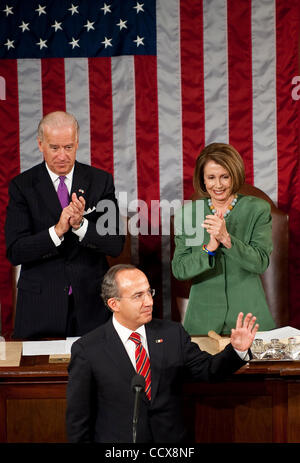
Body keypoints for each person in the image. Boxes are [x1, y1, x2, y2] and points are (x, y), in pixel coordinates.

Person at [66, 263, 258, 443]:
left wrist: (237, 350)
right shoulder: (88, 349)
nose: (149, 301)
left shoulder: (172, 334)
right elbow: (78, 421)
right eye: (138, 296)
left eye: (149, 292)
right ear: (114, 304)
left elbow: (209, 370)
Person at [5, 111, 124, 339]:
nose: (62, 156)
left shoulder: (100, 181)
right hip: (40, 309)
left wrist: (81, 226)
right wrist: (57, 231)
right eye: (55, 147)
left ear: (77, 143)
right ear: (40, 145)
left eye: (68, 147)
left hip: (91, 307)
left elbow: (115, 244)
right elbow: (15, 251)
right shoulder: (22, 186)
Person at [172, 142, 275, 335]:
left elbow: (260, 262)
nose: (217, 185)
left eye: (224, 177)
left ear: (234, 176)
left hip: (249, 319)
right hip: (202, 322)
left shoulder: (257, 210)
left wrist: (227, 240)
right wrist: (209, 247)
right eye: (211, 177)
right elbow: (180, 269)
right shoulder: (188, 214)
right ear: (202, 180)